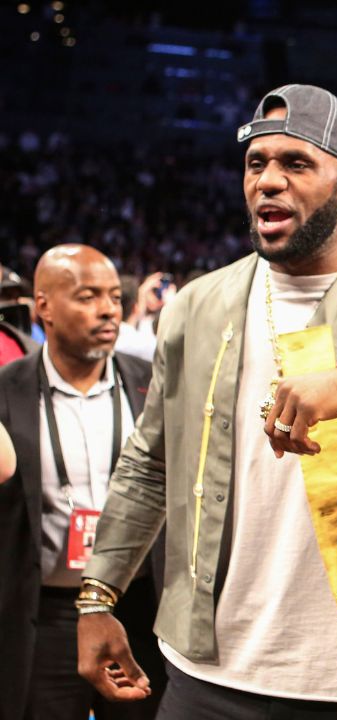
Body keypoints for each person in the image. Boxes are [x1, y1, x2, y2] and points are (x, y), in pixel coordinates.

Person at [77, 84, 337, 718]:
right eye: (256, 164)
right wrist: (97, 597)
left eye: (295, 164)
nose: (268, 181)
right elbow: (149, 463)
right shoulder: (196, 306)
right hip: (204, 669)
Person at [0, 245, 165, 720]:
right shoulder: (6, 390)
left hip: (135, 609)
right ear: (44, 307)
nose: (108, 309)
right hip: (45, 612)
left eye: (114, 296)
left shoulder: (153, 384)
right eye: (88, 296)